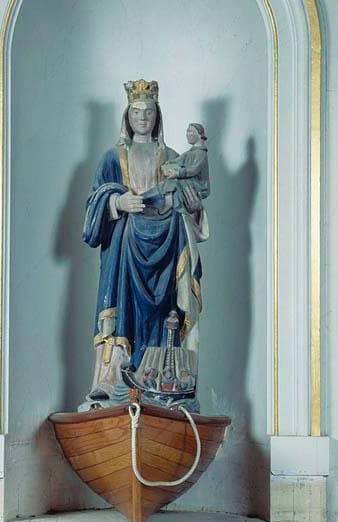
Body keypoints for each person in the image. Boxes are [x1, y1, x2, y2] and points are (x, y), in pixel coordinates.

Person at [80, 80, 209, 410]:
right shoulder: (113, 158)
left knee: (167, 313)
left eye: (148, 112)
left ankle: (161, 380)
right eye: (137, 112)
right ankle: (111, 380)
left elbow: (191, 202)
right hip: (125, 249)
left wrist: (193, 205)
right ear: (127, 115)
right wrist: (118, 202)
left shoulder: (173, 157)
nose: (142, 118)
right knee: (121, 310)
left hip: (166, 245)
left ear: (157, 115)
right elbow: (94, 202)